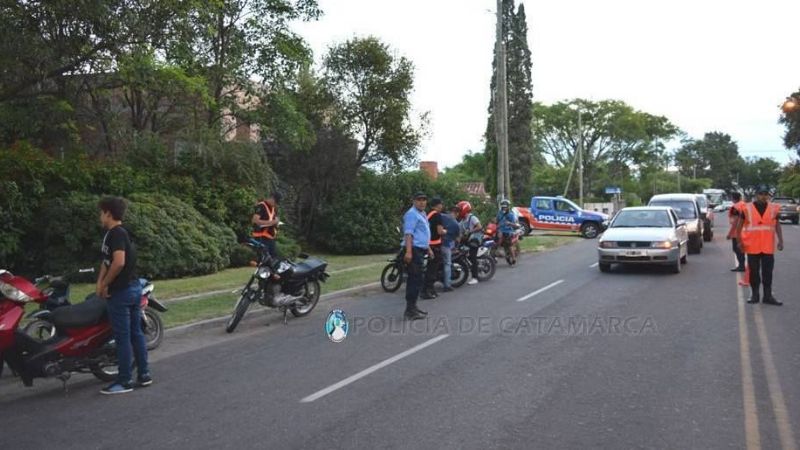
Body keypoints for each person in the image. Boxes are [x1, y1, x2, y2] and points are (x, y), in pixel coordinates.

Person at [96, 197, 150, 395]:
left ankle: (124, 380)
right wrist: (100, 282)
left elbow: (118, 262)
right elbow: (107, 261)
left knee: (123, 337)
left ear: (108, 213)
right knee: (136, 333)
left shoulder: (117, 234)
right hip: (132, 289)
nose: (100, 216)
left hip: (122, 292)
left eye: (101, 212)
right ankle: (144, 374)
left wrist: (106, 284)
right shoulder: (116, 234)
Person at [735, 185, 784, 305]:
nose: (763, 196)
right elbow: (739, 226)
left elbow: (777, 225)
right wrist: (739, 242)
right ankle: (755, 295)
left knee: (768, 273)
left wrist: (781, 240)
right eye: (761, 194)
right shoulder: (746, 208)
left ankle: (768, 296)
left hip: (767, 247)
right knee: (754, 273)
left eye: (765, 194)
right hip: (752, 246)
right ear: (756, 195)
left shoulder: (773, 208)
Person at [402, 192, 432, 320]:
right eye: (419, 200)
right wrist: (409, 252)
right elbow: (409, 234)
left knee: (418, 279)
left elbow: (423, 233)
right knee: (414, 280)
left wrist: (428, 248)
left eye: (424, 200)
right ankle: (410, 310)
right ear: (414, 201)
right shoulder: (411, 214)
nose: (422, 202)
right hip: (414, 250)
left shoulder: (422, 214)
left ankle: (413, 307)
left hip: (420, 250)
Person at [423, 197, 446, 299]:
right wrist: (446, 231)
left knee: (430, 268)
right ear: (438, 205)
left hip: (427, 244)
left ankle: (429, 289)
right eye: (441, 204)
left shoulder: (428, 214)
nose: (442, 206)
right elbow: (439, 231)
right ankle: (427, 290)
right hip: (435, 244)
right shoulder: (437, 215)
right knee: (433, 269)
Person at [457, 201, 483, 285]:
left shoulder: (472, 218)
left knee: (472, 256)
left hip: (474, 240)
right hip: (468, 240)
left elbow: (479, 226)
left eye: (459, 210)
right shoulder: (462, 221)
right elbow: (460, 234)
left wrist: (470, 231)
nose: (458, 212)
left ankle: (475, 277)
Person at [252, 192, 281, 258]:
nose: (276, 204)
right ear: (272, 198)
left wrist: (276, 223)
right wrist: (272, 222)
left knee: (274, 259)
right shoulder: (261, 206)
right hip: (261, 237)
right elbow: (255, 221)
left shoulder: (274, 208)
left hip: (270, 238)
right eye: (275, 202)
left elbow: (274, 220)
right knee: (264, 258)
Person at [440, 206, 461, 292]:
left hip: (436, 243)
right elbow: (458, 239)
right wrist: (456, 247)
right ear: (457, 213)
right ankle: (447, 285)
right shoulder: (456, 224)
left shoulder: (442, 216)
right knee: (447, 264)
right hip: (446, 245)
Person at [726, 192, 746, 272]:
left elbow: (735, 222)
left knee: (737, 249)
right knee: (741, 249)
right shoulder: (744, 205)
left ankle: (741, 266)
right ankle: (742, 265)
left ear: (732, 198)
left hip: (737, 232)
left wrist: (730, 234)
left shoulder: (735, 207)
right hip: (747, 231)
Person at [496, 199, 520, 265]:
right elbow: (496, 221)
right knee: (495, 240)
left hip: (508, 231)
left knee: (509, 245)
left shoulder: (511, 214)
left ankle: (514, 258)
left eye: (505, 207)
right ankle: (496, 253)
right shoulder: (499, 213)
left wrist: (509, 223)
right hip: (500, 230)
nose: (504, 208)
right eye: (503, 207)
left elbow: (514, 224)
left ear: (508, 207)